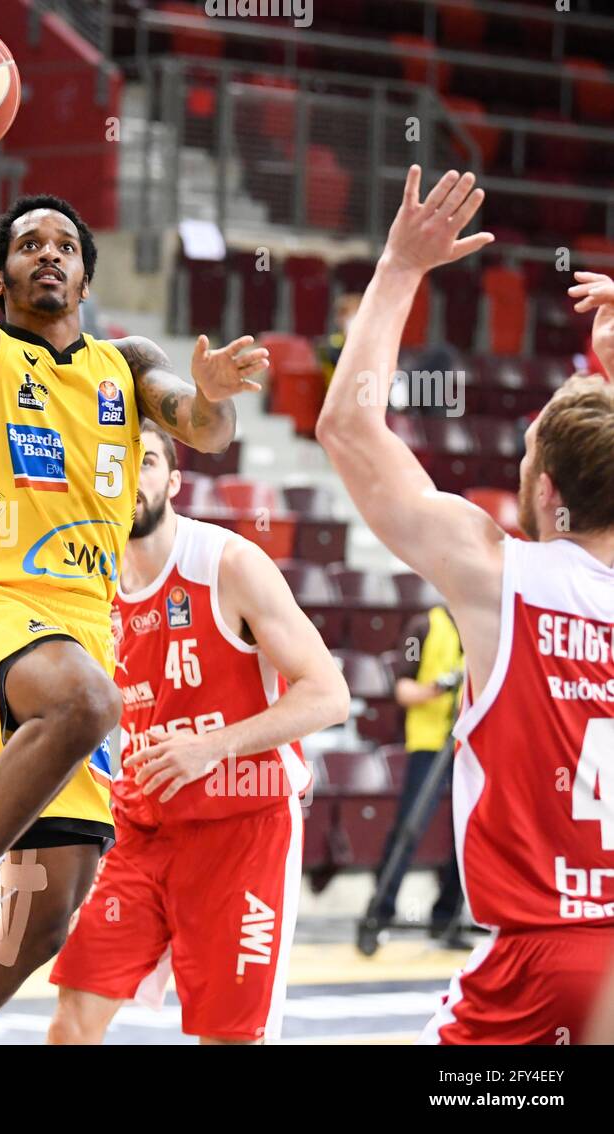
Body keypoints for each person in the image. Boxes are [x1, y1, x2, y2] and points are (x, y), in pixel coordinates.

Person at [0, 56, 268, 1043]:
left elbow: (207, 433)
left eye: (65, 245)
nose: (49, 255)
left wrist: (212, 392)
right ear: (0, 276)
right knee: (85, 701)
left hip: (88, 636)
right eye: (28, 246)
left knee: (49, 912)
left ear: (85, 271)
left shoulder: (122, 369)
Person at [316, 165, 614, 1044]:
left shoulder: (500, 576)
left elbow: (348, 429)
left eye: (524, 459)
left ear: (547, 490)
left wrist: (400, 268)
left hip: (536, 961)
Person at [41, 420, 349, 1044]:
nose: (129, 478)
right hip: (144, 831)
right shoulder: (91, 590)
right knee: (72, 1019)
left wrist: (211, 746)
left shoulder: (228, 564)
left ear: (175, 481)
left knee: (226, 1038)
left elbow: (329, 694)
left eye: (146, 463)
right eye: (115, 466)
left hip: (243, 831)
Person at [359, 602, 467, 954]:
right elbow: (402, 689)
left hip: (471, 745)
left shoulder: (483, 625)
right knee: (409, 828)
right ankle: (380, 912)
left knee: (468, 834)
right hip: (429, 743)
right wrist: (439, 686)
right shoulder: (422, 627)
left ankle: (447, 917)